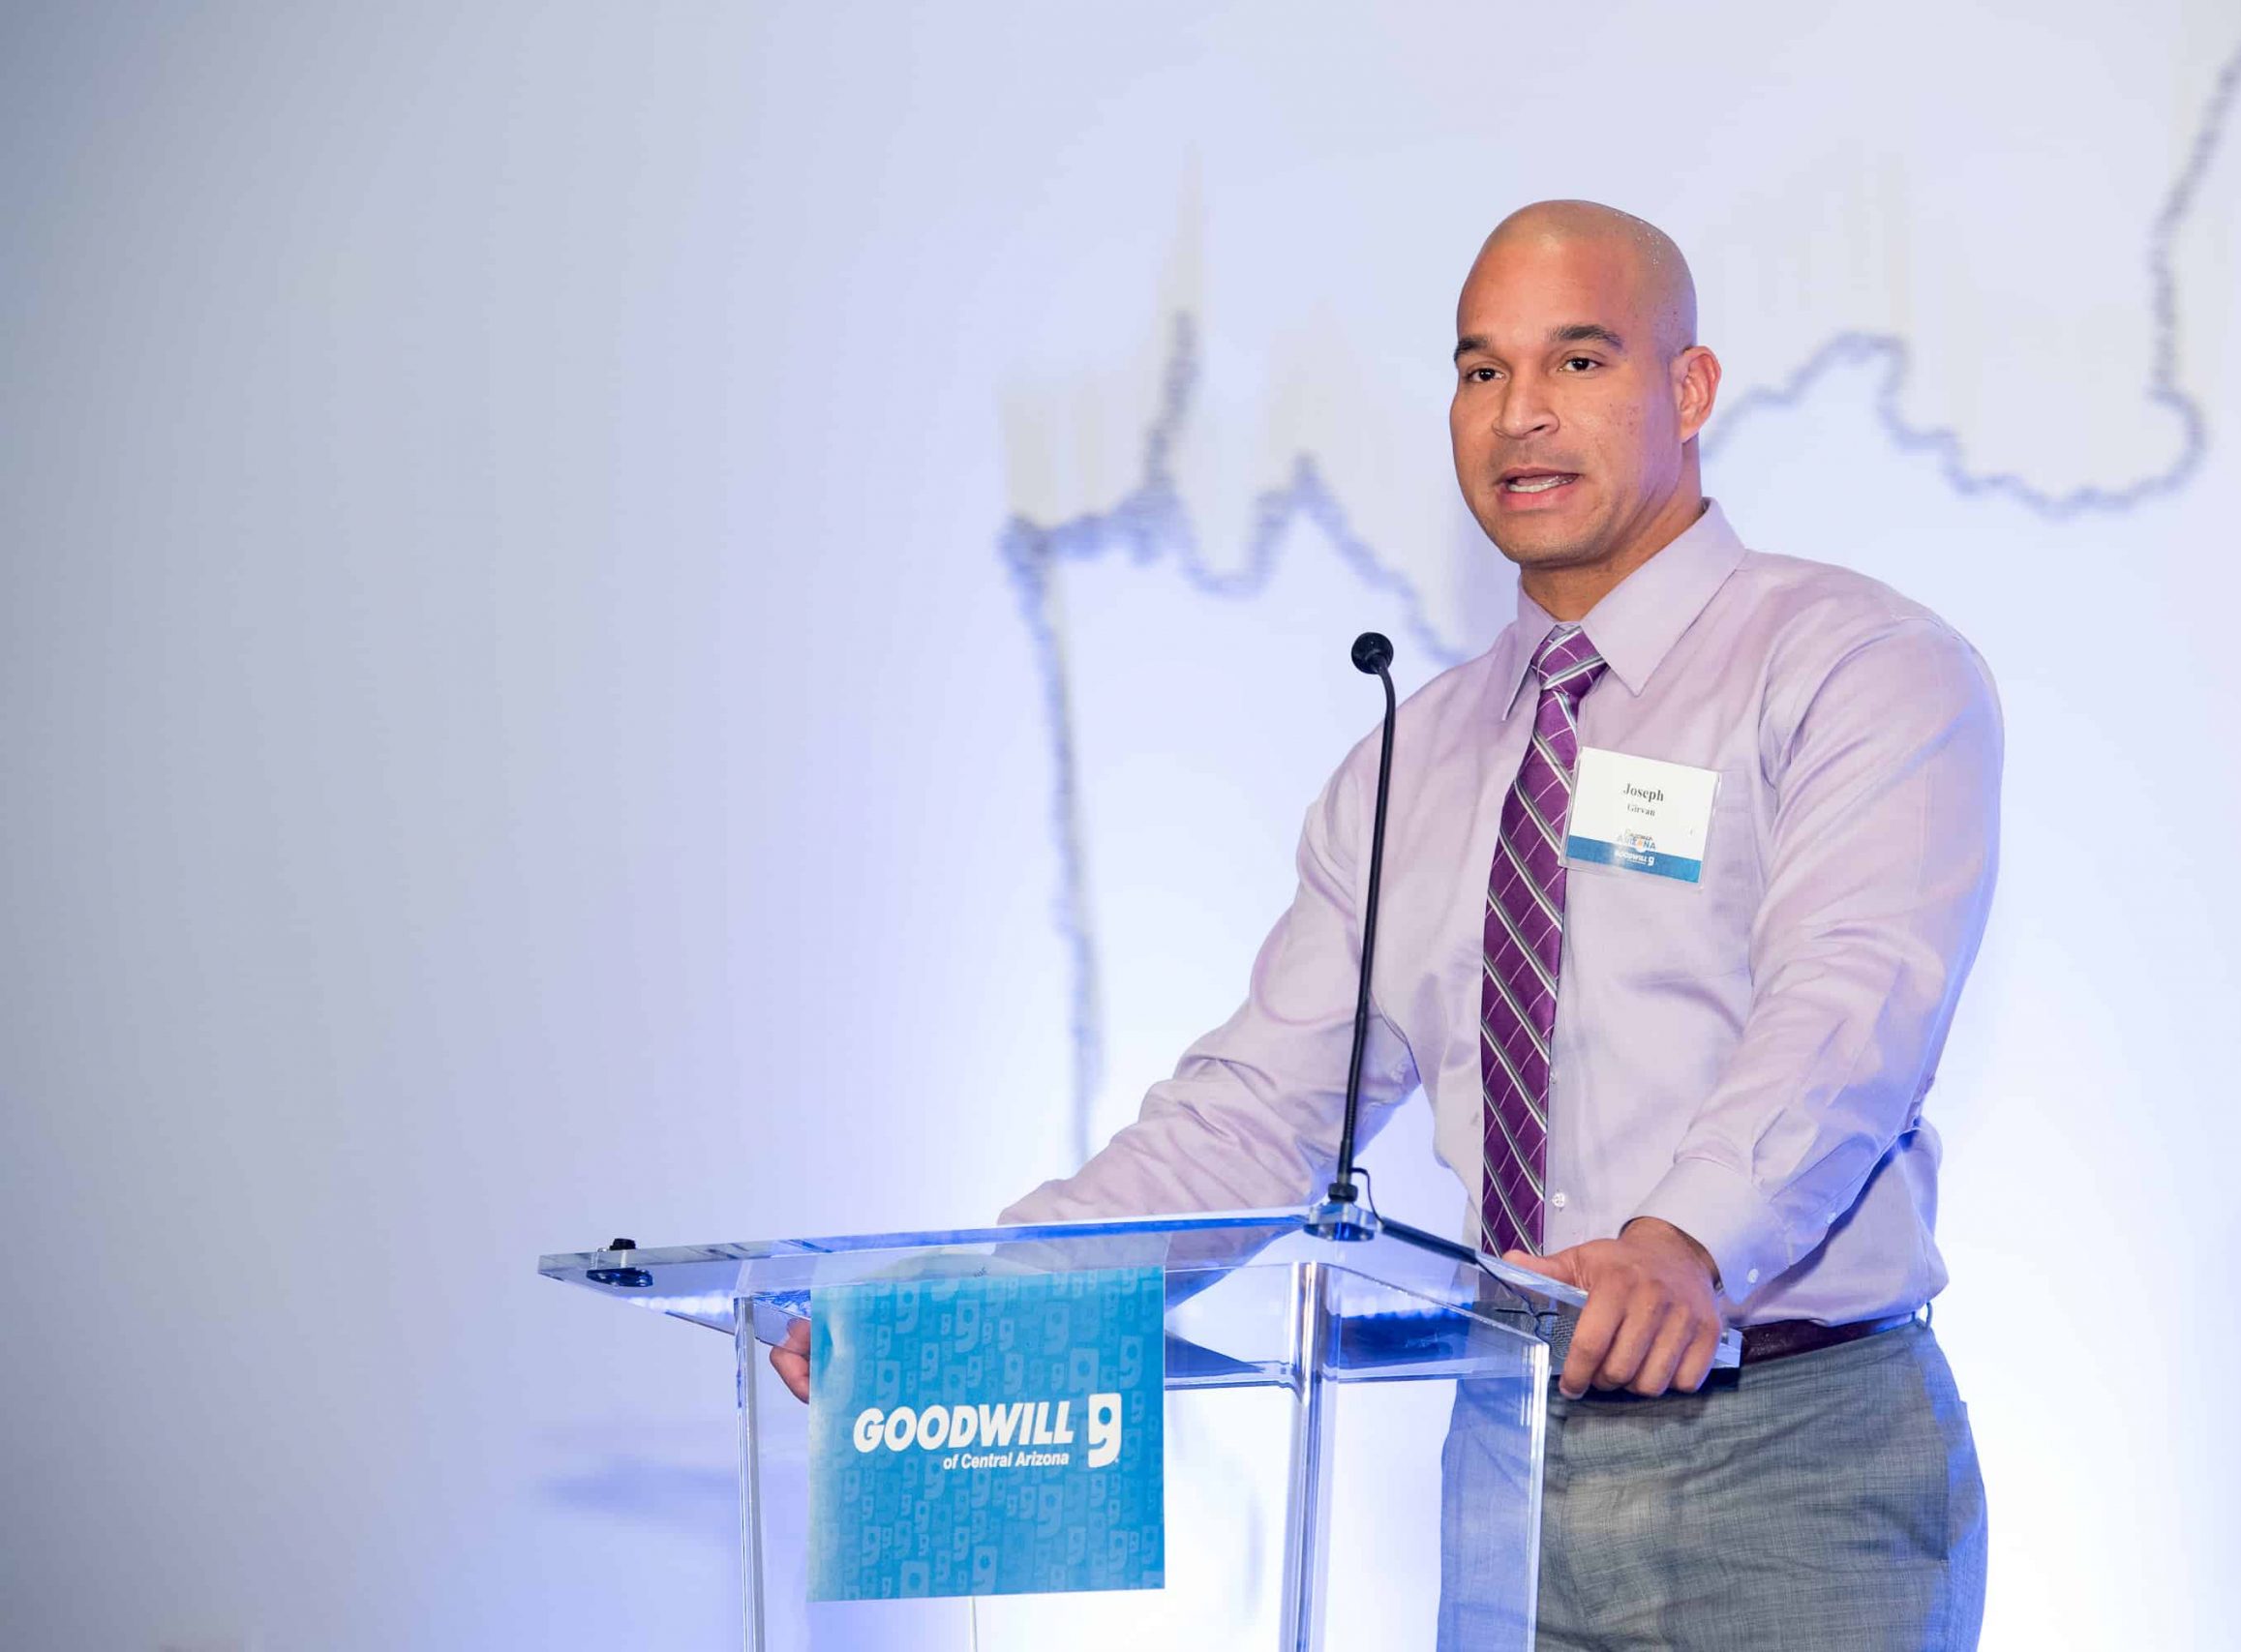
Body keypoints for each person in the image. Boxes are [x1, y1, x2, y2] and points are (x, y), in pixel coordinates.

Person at [777, 198, 1997, 1649]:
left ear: (1689, 391)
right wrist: (978, 1317)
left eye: (1579, 363)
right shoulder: (1412, 762)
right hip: (1513, 1450)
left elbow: (1852, 1006)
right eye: (1481, 372)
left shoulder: (1855, 665)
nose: (1520, 415)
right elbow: (1248, 1119)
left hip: (1792, 1456)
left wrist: (1688, 1243)